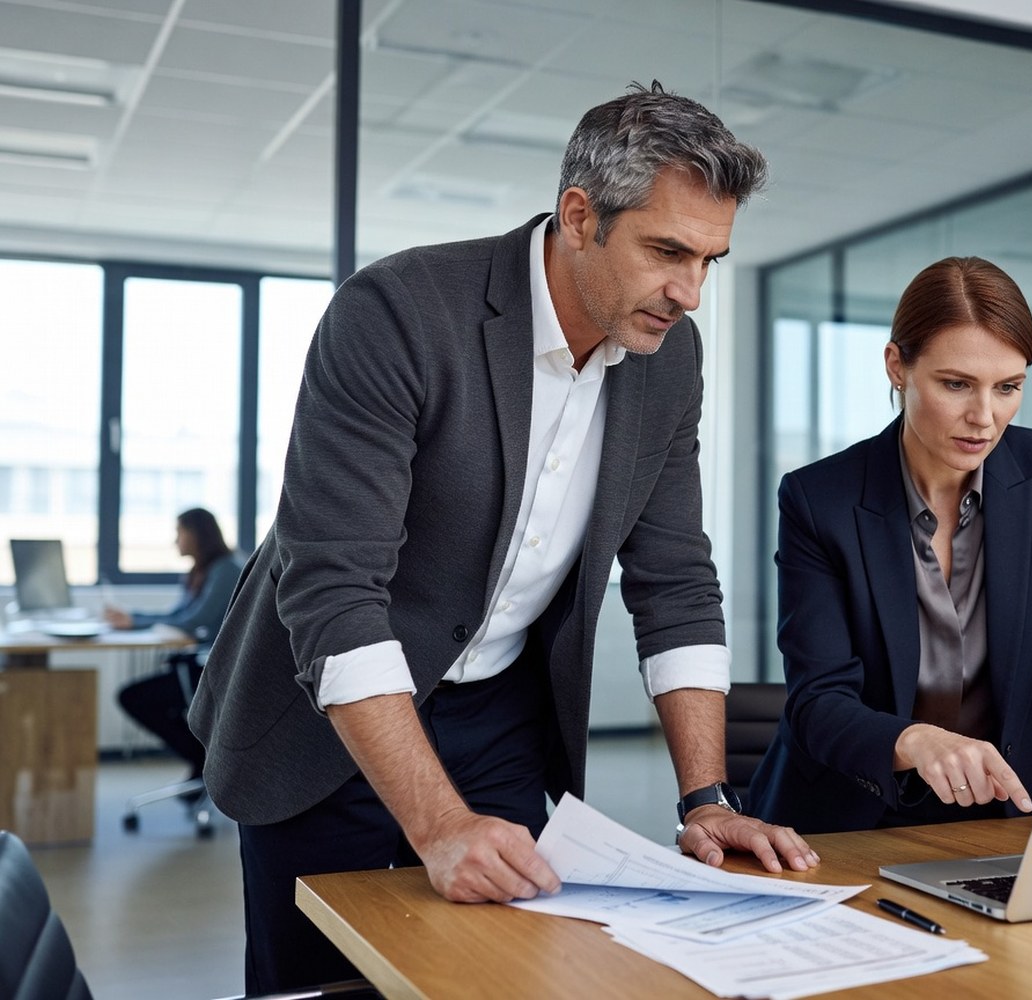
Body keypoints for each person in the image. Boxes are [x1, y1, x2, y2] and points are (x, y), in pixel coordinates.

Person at [187, 82, 816, 993]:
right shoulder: (398, 313)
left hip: (501, 723)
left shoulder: (666, 357)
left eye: (711, 260)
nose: (689, 292)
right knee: (326, 983)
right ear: (578, 216)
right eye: (667, 251)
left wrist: (706, 795)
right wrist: (437, 827)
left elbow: (676, 580)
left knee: (509, 977)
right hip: (332, 725)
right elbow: (332, 592)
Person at [748, 256, 1032, 835]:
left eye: (1008, 387)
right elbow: (818, 699)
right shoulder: (821, 499)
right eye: (956, 384)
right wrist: (916, 741)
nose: (985, 419)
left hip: (1016, 798)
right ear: (897, 366)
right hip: (854, 809)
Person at [107, 507, 244, 784]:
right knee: (141, 699)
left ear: (197, 535)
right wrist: (133, 619)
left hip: (213, 672)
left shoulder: (225, 570)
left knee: (134, 698)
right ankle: (202, 762)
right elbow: (178, 617)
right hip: (196, 666)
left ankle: (202, 760)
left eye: (179, 533)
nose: (176, 541)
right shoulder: (200, 571)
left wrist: (134, 620)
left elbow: (196, 622)